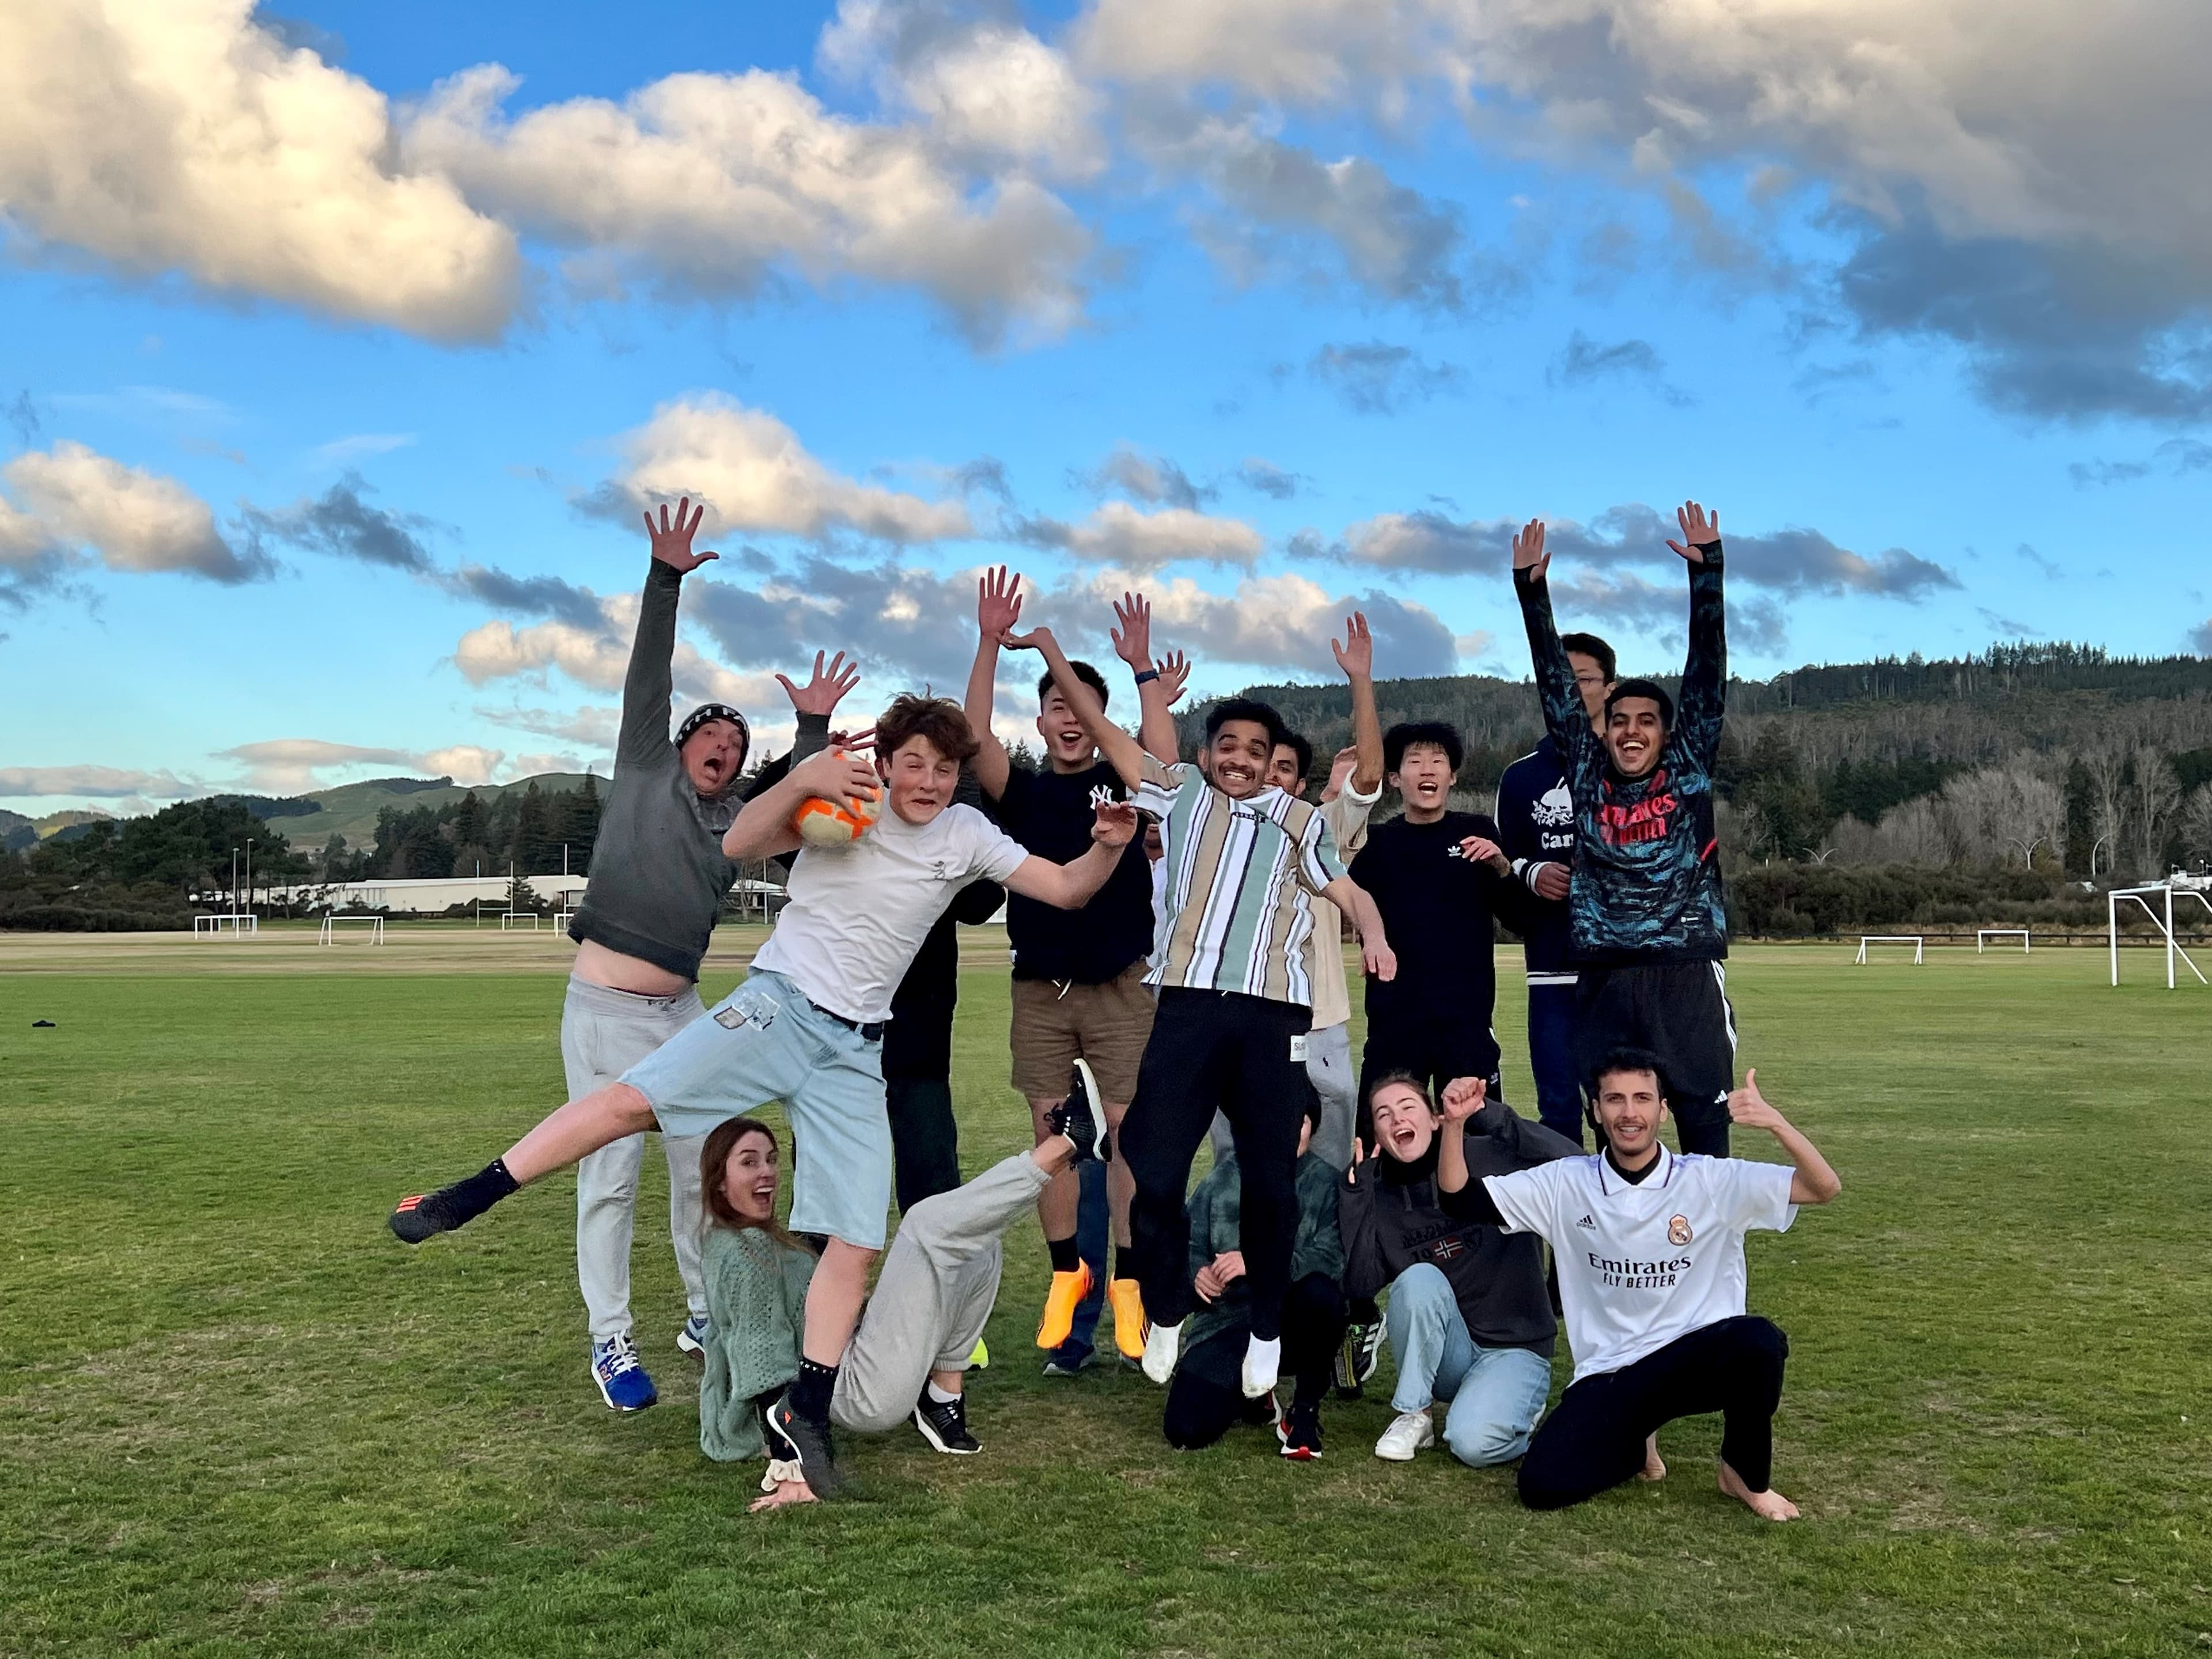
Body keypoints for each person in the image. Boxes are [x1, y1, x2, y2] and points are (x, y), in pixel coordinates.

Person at [389, 693, 1139, 1499]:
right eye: (913, 763)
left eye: (945, 769)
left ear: (959, 779)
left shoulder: (964, 834)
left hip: (858, 1050)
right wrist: (807, 774)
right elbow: (740, 843)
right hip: (777, 1008)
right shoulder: (842, 800)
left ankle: (805, 1415)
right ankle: (469, 1195)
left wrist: (1108, 847)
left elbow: (1064, 890)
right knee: (632, 1102)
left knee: (855, 1239)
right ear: (885, 763)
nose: (927, 781)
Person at [1002, 621, 1395, 1401]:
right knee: (1151, 1173)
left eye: (1257, 749)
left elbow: (1347, 890)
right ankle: (1170, 1311)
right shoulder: (1178, 798)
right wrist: (1053, 650)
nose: (1241, 758)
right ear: (1209, 753)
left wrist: (1375, 937)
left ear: (1270, 761)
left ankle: (1267, 1328)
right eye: (1229, 746)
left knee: (1271, 1188)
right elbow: (1112, 733)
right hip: (1183, 1010)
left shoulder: (1301, 822)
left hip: (1271, 1019)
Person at [556, 497, 852, 1413]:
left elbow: (800, 808)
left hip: (680, 1014)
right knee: (609, 1178)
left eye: (735, 748)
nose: (722, 753)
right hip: (603, 1006)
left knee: (700, 1170)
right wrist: (664, 578)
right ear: (680, 746)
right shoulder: (643, 766)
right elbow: (648, 676)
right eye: (710, 740)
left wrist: (808, 730)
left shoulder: (736, 827)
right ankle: (612, 1344)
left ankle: (705, 1316)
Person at [1434, 1050, 1841, 1518]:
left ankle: (1741, 1474)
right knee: (1541, 1487)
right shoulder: (1567, 1182)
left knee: (1759, 1342)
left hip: (1694, 1362)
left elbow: (1823, 1188)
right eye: (1615, 1100)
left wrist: (1778, 1125)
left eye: (1643, 1099)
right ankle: (1633, 1446)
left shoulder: (1708, 1178)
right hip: (1612, 1371)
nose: (1630, 1113)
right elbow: (1461, 1200)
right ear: (1596, 1110)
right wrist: (1455, 1124)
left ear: (1662, 1110)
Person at [700, 1078, 1113, 1507]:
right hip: (847, 1393)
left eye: (770, 1159)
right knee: (925, 1227)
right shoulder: (738, 1252)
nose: (766, 1171)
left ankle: (942, 1399)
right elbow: (762, 1363)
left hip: (853, 1364)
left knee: (976, 1247)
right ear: (719, 1183)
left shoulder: (766, 1239)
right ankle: (1065, 1144)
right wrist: (792, 1465)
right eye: (749, 1163)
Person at [963, 570, 1178, 1370]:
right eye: (1052, 704)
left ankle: (1126, 1285)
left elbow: (1162, 751)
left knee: (1127, 1139)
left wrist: (1115, 665)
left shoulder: (1125, 784)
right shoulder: (1020, 794)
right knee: (1052, 1137)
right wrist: (990, 639)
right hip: (1041, 989)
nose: (1066, 718)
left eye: (1077, 705)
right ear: (1042, 719)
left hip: (1121, 987)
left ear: (1094, 719)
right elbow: (972, 734)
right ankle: (1066, 1274)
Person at [1512, 505, 1738, 1155]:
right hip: (1606, 975)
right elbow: (1555, 686)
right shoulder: (1586, 773)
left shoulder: (1688, 772)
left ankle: (1711, 1258)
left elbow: (1706, 676)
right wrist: (1532, 592)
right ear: (1603, 729)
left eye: (1647, 721)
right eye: (1620, 720)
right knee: (1616, 1131)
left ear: (1667, 735)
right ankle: (1617, 1255)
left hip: (1684, 970)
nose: (1632, 730)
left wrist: (1709, 578)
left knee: (1703, 1128)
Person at [1341, 1073, 1577, 1467]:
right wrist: (1357, 1198)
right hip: (1448, 1356)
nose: (1397, 1119)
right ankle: (1415, 1413)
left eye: (1407, 1108)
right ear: (1378, 1136)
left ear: (1434, 1119)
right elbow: (1361, 1283)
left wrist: (1491, 1116)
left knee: (1471, 1445)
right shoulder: (1379, 1192)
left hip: (1514, 1346)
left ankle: (1513, 1410)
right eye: (1384, 1115)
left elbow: (1572, 1162)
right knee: (1417, 1279)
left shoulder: (1486, 1156)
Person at [1350, 722, 1537, 1113]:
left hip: (1466, 1024)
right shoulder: (1378, 842)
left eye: (1438, 761)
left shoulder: (1477, 833)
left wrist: (1503, 867)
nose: (1428, 769)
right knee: (1385, 1142)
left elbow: (1520, 919)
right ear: (1396, 778)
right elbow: (1343, 896)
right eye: (1415, 761)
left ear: (1452, 776)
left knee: (1479, 1143)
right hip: (1394, 1023)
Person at [1164, 1092, 1344, 1460]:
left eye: (1301, 1121)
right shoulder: (1223, 1180)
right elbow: (1186, 1241)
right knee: (1186, 1430)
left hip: (1289, 1319)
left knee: (1322, 1295)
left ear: (1312, 1126)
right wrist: (1197, 1273)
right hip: (1228, 1321)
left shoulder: (1326, 1182)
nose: (1288, 1131)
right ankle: (1253, 1395)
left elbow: (1330, 1258)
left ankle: (1304, 1412)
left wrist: (1260, 1263)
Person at [1495, 631, 1616, 1146]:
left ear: (1609, 688)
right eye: (1557, 678)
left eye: (1582, 678)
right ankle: (1571, 1227)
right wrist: (1531, 872)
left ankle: (1628, 1222)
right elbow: (1501, 861)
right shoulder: (1521, 776)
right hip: (1550, 968)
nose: (1568, 687)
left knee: (1622, 1106)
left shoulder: (1630, 765)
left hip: (1621, 970)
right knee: (1559, 1108)